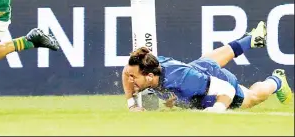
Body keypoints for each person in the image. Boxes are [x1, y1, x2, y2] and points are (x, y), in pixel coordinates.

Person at [122, 21, 293, 112]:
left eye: (134, 78)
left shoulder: (183, 80)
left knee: (253, 97)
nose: (130, 80)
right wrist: (132, 104)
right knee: (204, 64)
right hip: (200, 68)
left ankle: (276, 80)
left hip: (219, 84)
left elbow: (226, 90)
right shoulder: (145, 63)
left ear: (150, 76)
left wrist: (217, 109)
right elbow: (125, 72)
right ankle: (249, 40)